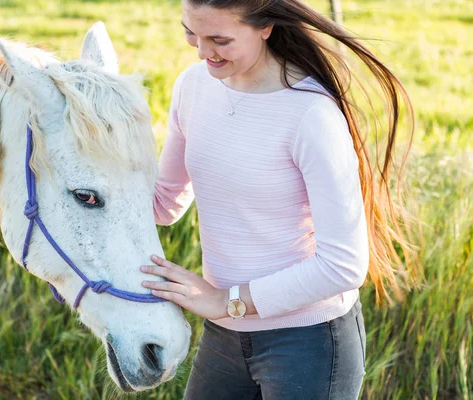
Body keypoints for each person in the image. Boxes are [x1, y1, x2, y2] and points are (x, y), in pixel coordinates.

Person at [139, 0, 415, 398]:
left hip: (308, 344)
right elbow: (163, 204)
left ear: (265, 26)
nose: (201, 52)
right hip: (224, 337)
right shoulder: (192, 87)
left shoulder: (310, 115)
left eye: (219, 39)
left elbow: (344, 266)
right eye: (191, 33)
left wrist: (224, 300)